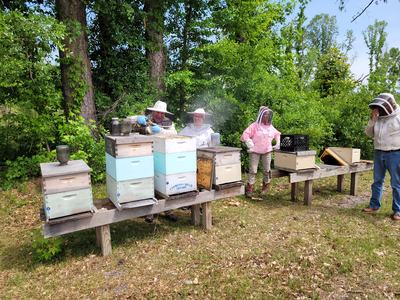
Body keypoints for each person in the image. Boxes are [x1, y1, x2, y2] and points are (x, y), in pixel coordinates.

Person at [133, 100, 178, 223]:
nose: (160, 115)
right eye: (158, 112)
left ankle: (168, 210)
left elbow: (174, 134)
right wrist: (136, 118)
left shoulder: (168, 122)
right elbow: (128, 121)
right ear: (153, 111)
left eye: (162, 113)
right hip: (147, 154)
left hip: (163, 156)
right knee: (149, 183)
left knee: (164, 182)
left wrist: (161, 131)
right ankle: (150, 212)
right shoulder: (145, 120)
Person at [363, 92, 400, 221]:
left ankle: (398, 211)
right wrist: (373, 120)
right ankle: (374, 206)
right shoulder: (377, 117)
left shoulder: (398, 116)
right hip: (378, 152)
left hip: (395, 153)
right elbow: (368, 133)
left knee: (396, 183)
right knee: (377, 181)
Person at [240, 106, 281, 198]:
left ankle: (266, 186)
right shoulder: (254, 125)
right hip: (255, 151)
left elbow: (277, 134)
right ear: (261, 115)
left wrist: (278, 142)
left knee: (267, 170)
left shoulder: (270, 127)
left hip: (267, 151)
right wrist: (248, 141)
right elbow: (245, 134)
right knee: (253, 170)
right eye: (265, 114)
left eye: (268, 115)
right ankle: (250, 188)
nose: (267, 116)